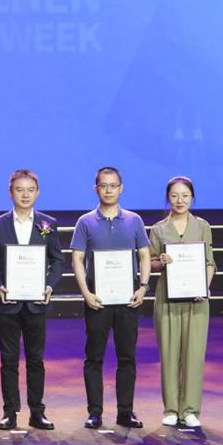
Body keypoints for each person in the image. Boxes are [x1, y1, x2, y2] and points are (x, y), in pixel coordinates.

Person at [0, 169, 64, 431]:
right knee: (9, 360)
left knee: (36, 359)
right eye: (19, 190)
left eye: (30, 190)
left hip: (37, 303)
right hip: (8, 303)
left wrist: (49, 286)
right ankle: (10, 412)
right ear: (10, 193)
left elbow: (57, 259)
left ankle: (37, 412)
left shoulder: (48, 224)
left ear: (37, 193)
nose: (25, 195)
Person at [71, 166, 151, 430]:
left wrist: (143, 287)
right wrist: (86, 293)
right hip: (98, 300)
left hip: (128, 299)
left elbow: (144, 255)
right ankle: (94, 412)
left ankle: (125, 412)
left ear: (121, 188)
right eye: (103, 185)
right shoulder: (85, 222)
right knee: (94, 357)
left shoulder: (134, 220)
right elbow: (77, 259)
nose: (108, 190)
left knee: (127, 357)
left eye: (113, 185)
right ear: (96, 188)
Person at [149, 176, 216, 429]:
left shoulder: (202, 226)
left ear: (192, 198)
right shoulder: (158, 229)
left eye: (185, 195)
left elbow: (209, 262)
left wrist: (204, 287)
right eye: (175, 195)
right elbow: (150, 263)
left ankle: (190, 409)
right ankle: (170, 408)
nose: (180, 200)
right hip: (167, 298)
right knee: (169, 353)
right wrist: (160, 261)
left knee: (194, 355)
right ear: (168, 198)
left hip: (197, 300)